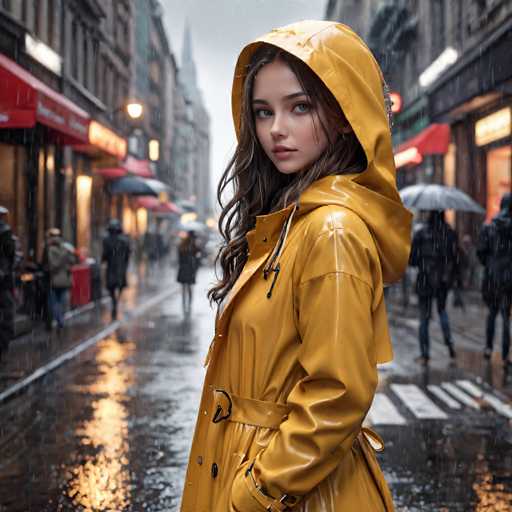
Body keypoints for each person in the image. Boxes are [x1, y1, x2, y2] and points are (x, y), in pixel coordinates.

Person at [180, 21, 411, 512]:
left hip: (295, 493)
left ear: (344, 114)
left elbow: (339, 393)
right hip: (262, 473)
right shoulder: (290, 222)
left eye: (299, 107)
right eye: (263, 112)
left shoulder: (330, 231)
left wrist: (256, 494)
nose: (275, 130)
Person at [409, 210, 459, 365]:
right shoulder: (449, 233)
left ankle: (425, 354)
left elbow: (412, 259)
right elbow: (455, 258)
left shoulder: (421, 233)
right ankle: (449, 343)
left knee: (424, 317)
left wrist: (423, 262)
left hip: (425, 279)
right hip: (441, 280)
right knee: (442, 311)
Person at [477, 193, 512, 369]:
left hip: (492, 277)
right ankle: (505, 354)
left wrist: (490, 264)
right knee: (506, 317)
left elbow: (481, 253)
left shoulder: (490, 227)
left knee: (492, 314)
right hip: (509, 279)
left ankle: (489, 348)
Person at [102, 219, 131, 320]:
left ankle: (114, 301)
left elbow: (104, 255)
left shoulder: (107, 240)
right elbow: (128, 254)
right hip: (120, 267)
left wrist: (104, 260)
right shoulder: (124, 240)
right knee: (119, 286)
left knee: (111, 287)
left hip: (112, 267)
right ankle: (116, 301)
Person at [47, 228, 76, 329]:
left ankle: (59, 319)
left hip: (55, 279)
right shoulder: (66, 248)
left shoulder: (51, 249)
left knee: (55, 302)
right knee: (61, 301)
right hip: (65, 279)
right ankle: (60, 319)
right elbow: (72, 261)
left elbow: (53, 265)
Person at [0, 206, 16, 363]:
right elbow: (10, 255)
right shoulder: (5, 232)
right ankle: (4, 342)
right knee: (7, 310)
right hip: (3, 281)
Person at [176, 230, 201, 316]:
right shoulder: (192, 245)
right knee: (189, 286)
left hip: (184, 268)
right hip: (189, 268)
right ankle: (188, 303)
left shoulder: (184, 244)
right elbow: (197, 255)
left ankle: (185, 303)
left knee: (184, 286)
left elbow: (179, 256)